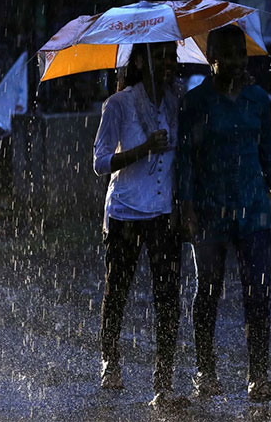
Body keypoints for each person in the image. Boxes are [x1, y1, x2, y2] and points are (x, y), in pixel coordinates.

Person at [178, 25, 271, 403]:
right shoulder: (196, 103)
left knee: (258, 294)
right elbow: (186, 161)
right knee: (207, 292)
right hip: (211, 212)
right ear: (211, 60)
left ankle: (257, 377)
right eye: (227, 55)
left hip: (254, 210)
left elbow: (269, 157)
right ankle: (204, 372)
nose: (236, 62)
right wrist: (186, 206)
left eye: (241, 55)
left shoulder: (258, 100)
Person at [93, 41, 188, 410]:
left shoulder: (174, 101)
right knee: (118, 291)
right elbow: (100, 163)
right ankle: (110, 360)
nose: (167, 62)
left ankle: (163, 383)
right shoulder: (119, 104)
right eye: (159, 55)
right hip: (126, 213)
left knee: (168, 300)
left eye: (170, 55)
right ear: (140, 60)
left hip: (163, 213)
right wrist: (142, 148)